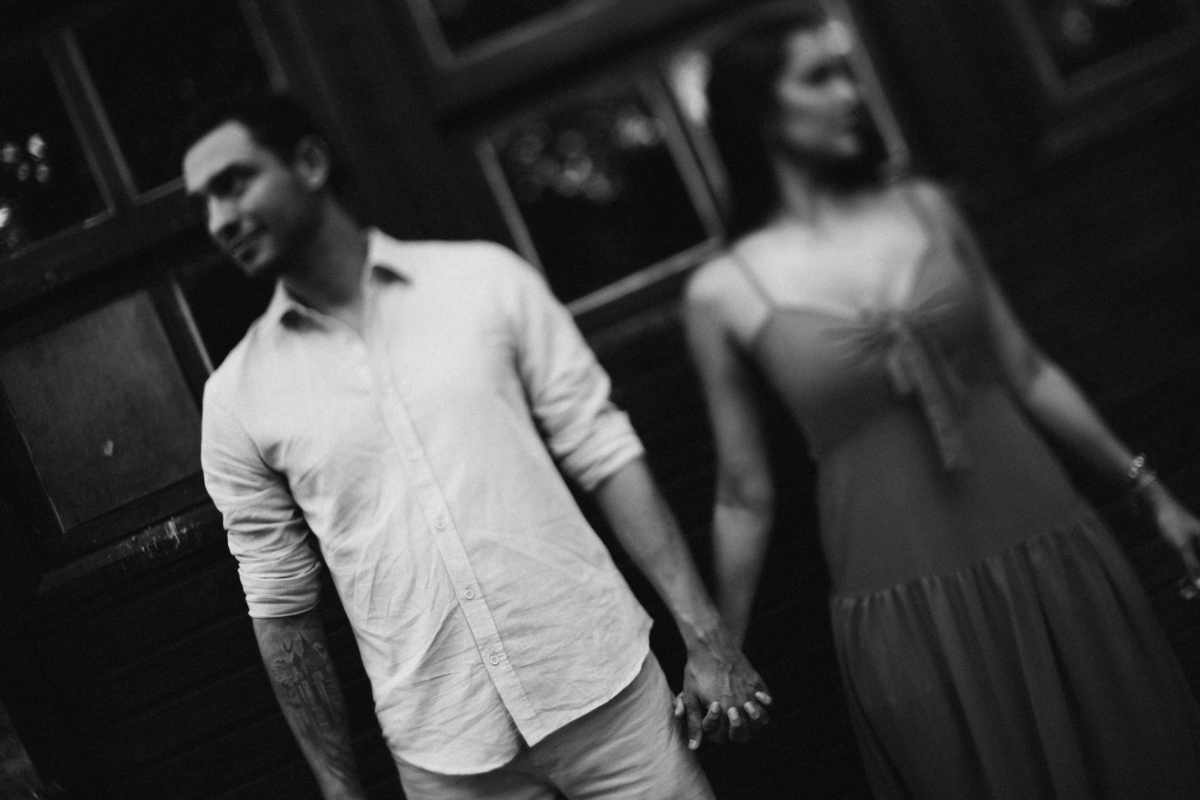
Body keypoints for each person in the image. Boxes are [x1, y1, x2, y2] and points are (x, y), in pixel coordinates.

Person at [182, 92, 770, 800]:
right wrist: (339, 792)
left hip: (607, 697)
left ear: (309, 162)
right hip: (447, 759)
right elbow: (281, 603)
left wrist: (708, 640)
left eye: (233, 184)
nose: (218, 220)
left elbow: (604, 450)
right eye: (203, 203)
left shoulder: (482, 281)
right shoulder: (239, 396)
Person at [683, 9, 1200, 799]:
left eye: (848, 72)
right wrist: (723, 649)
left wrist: (1150, 491)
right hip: (905, 601)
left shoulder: (926, 208)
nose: (851, 92)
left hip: (1043, 536)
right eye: (820, 77)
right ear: (762, 112)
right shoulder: (722, 292)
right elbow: (742, 494)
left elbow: (1025, 368)